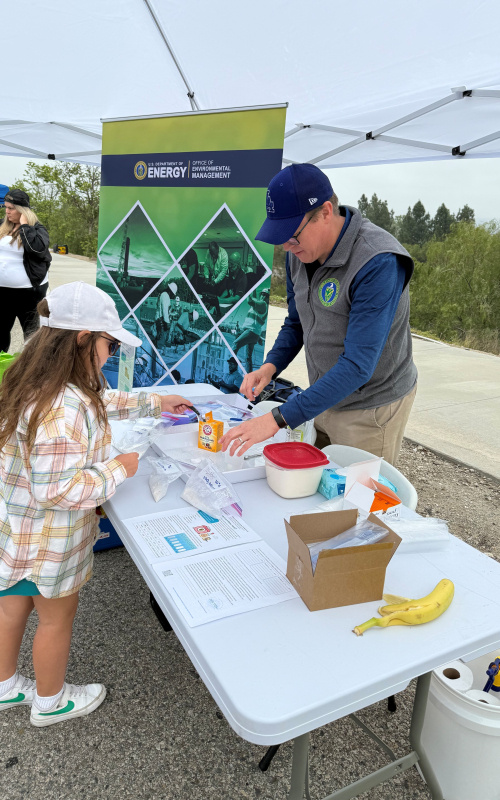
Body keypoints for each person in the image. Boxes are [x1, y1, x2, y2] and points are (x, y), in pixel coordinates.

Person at [0, 282, 191, 727]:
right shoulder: (60, 410)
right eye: (109, 344)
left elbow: (101, 401)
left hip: (18, 531)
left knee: (12, 606)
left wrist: (154, 401)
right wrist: (119, 468)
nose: (112, 355)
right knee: (56, 617)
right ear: (83, 339)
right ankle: (51, 701)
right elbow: (58, 490)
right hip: (50, 543)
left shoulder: (40, 381)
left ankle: (5, 684)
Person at [220, 163, 418, 465]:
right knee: (316, 481)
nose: (287, 246)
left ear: (326, 212)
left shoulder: (378, 262)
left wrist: (276, 419)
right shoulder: (298, 255)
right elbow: (297, 321)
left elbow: (357, 366)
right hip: (324, 392)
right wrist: (271, 366)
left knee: (357, 498)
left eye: (293, 235)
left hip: (370, 406)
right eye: (280, 236)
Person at [0, 189, 51, 353]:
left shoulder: (37, 229)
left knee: (32, 336)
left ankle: (32, 374)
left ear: (23, 210)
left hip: (29, 293)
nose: (7, 212)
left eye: (11, 208)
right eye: (6, 207)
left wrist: (24, 226)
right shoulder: (2, 226)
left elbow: (36, 250)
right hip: (3, 292)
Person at [232, 287, 269, 373]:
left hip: (251, 332)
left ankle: (232, 370)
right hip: (254, 334)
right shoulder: (260, 305)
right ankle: (248, 376)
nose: (264, 296)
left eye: (266, 295)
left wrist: (248, 290)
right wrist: (254, 288)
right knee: (248, 358)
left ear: (268, 298)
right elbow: (254, 299)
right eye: (263, 294)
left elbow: (250, 301)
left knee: (235, 344)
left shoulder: (263, 304)